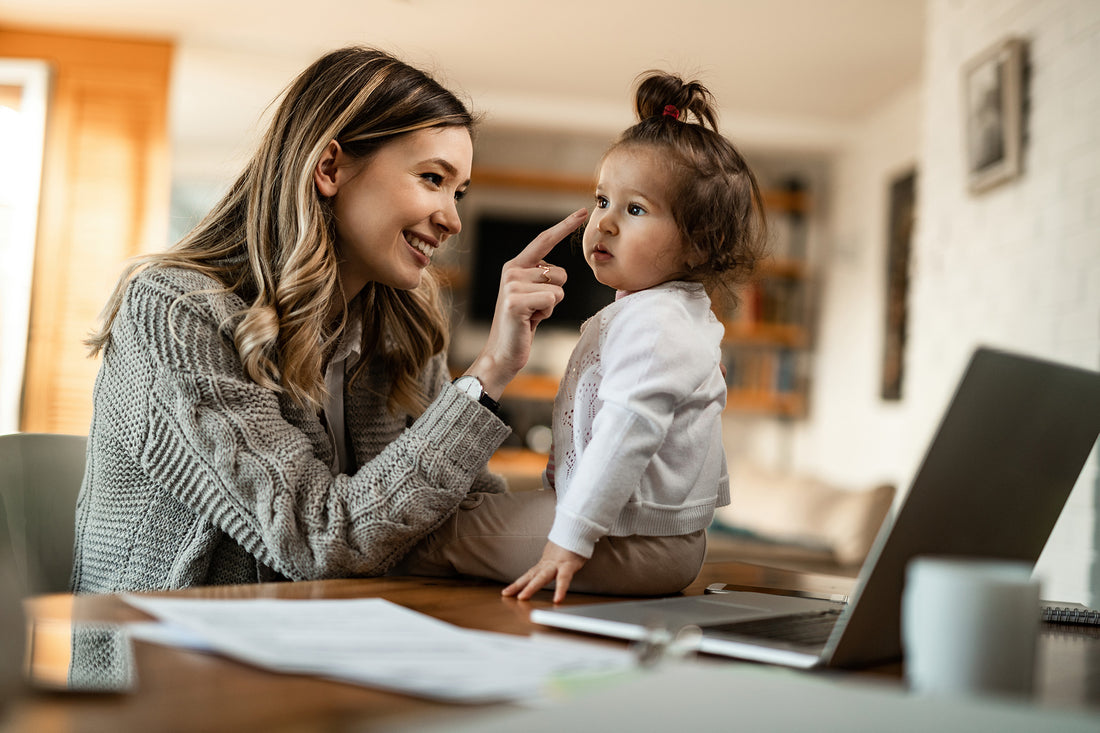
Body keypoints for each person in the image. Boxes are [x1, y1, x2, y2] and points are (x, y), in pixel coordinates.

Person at [69, 46, 586, 594]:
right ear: (330, 167)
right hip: (172, 660)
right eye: (432, 179)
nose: (454, 219)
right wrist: (485, 379)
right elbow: (319, 542)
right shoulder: (177, 314)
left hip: (330, 639)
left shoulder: (401, 333)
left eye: (458, 192)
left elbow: (463, 516)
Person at [396, 71, 768, 601]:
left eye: (635, 209)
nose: (606, 223)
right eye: (601, 201)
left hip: (632, 543)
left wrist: (568, 540)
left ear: (699, 245)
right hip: (645, 537)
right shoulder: (659, 314)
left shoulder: (656, 325)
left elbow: (625, 434)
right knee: (467, 516)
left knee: (428, 533)